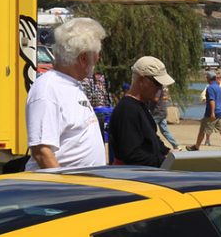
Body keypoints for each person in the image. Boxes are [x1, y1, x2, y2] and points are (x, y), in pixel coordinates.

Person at [25, 17, 107, 170]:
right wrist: (67, 190)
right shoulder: (48, 89)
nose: (98, 59)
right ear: (83, 58)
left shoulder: (71, 84)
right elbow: (42, 152)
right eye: (97, 56)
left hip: (81, 188)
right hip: (63, 190)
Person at [109, 56, 175, 167]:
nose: (160, 89)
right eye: (157, 84)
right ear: (142, 80)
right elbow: (131, 154)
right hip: (131, 178)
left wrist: (168, 152)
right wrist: (163, 160)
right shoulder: (127, 109)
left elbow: (151, 138)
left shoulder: (141, 105)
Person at [188, 69, 221, 150]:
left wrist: (212, 113)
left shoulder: (210, 88)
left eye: (206, 78)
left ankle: (196, 146)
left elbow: (212, 101)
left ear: (208, 78)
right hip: (220, 112)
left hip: (211, 113)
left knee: (202, 130)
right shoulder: (218, 87)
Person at [151, 85, 182, 150]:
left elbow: (156, 99)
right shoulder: (161, 88)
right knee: (165, 131)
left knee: (149, 128)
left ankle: (152, 146)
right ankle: (176, 145)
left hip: (158, 112)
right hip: (162, 112)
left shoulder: (158, 88)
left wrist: (148, 96)